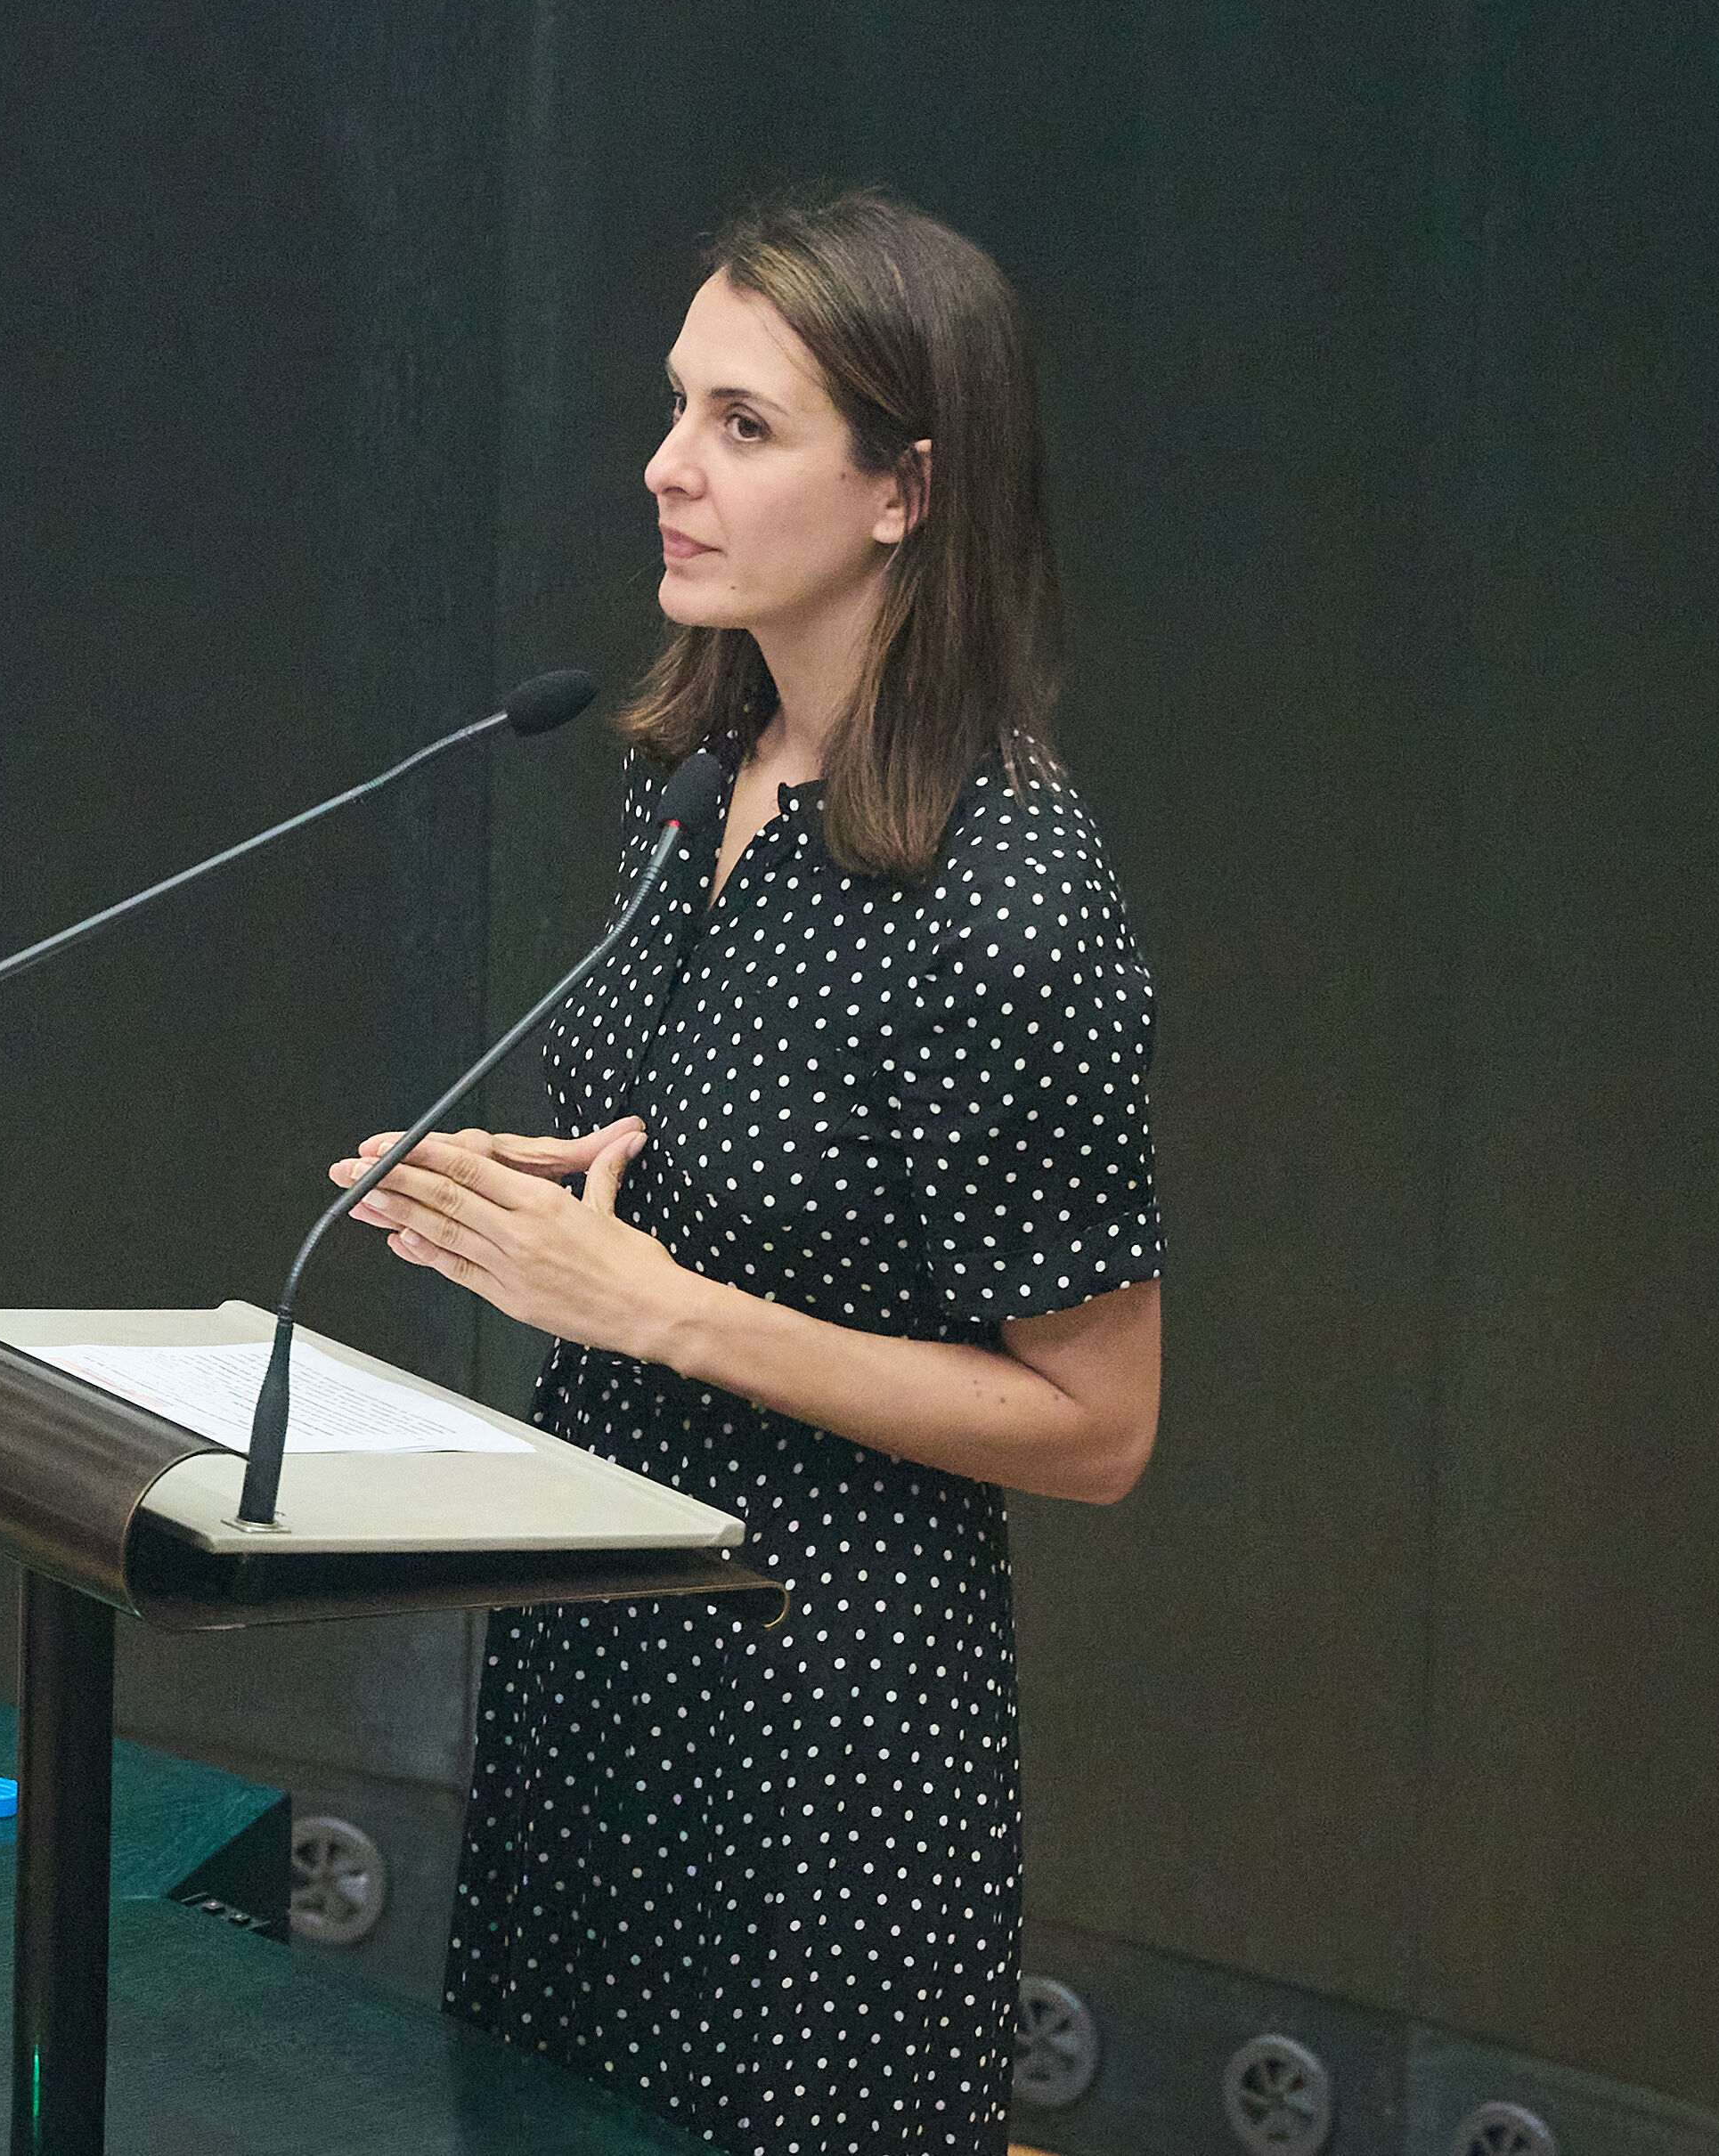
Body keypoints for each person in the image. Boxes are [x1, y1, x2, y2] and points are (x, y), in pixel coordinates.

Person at [325, 188, 1164, 2156]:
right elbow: (726, 1170)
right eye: (675, 406)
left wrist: (661, 1307)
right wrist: (529, 1197)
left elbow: (1098, 1424)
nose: (665, 467)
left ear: (908, 489)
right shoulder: (697, 777)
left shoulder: (1014, 898)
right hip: (589, 1655)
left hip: (821, 1715)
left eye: (743, 424)